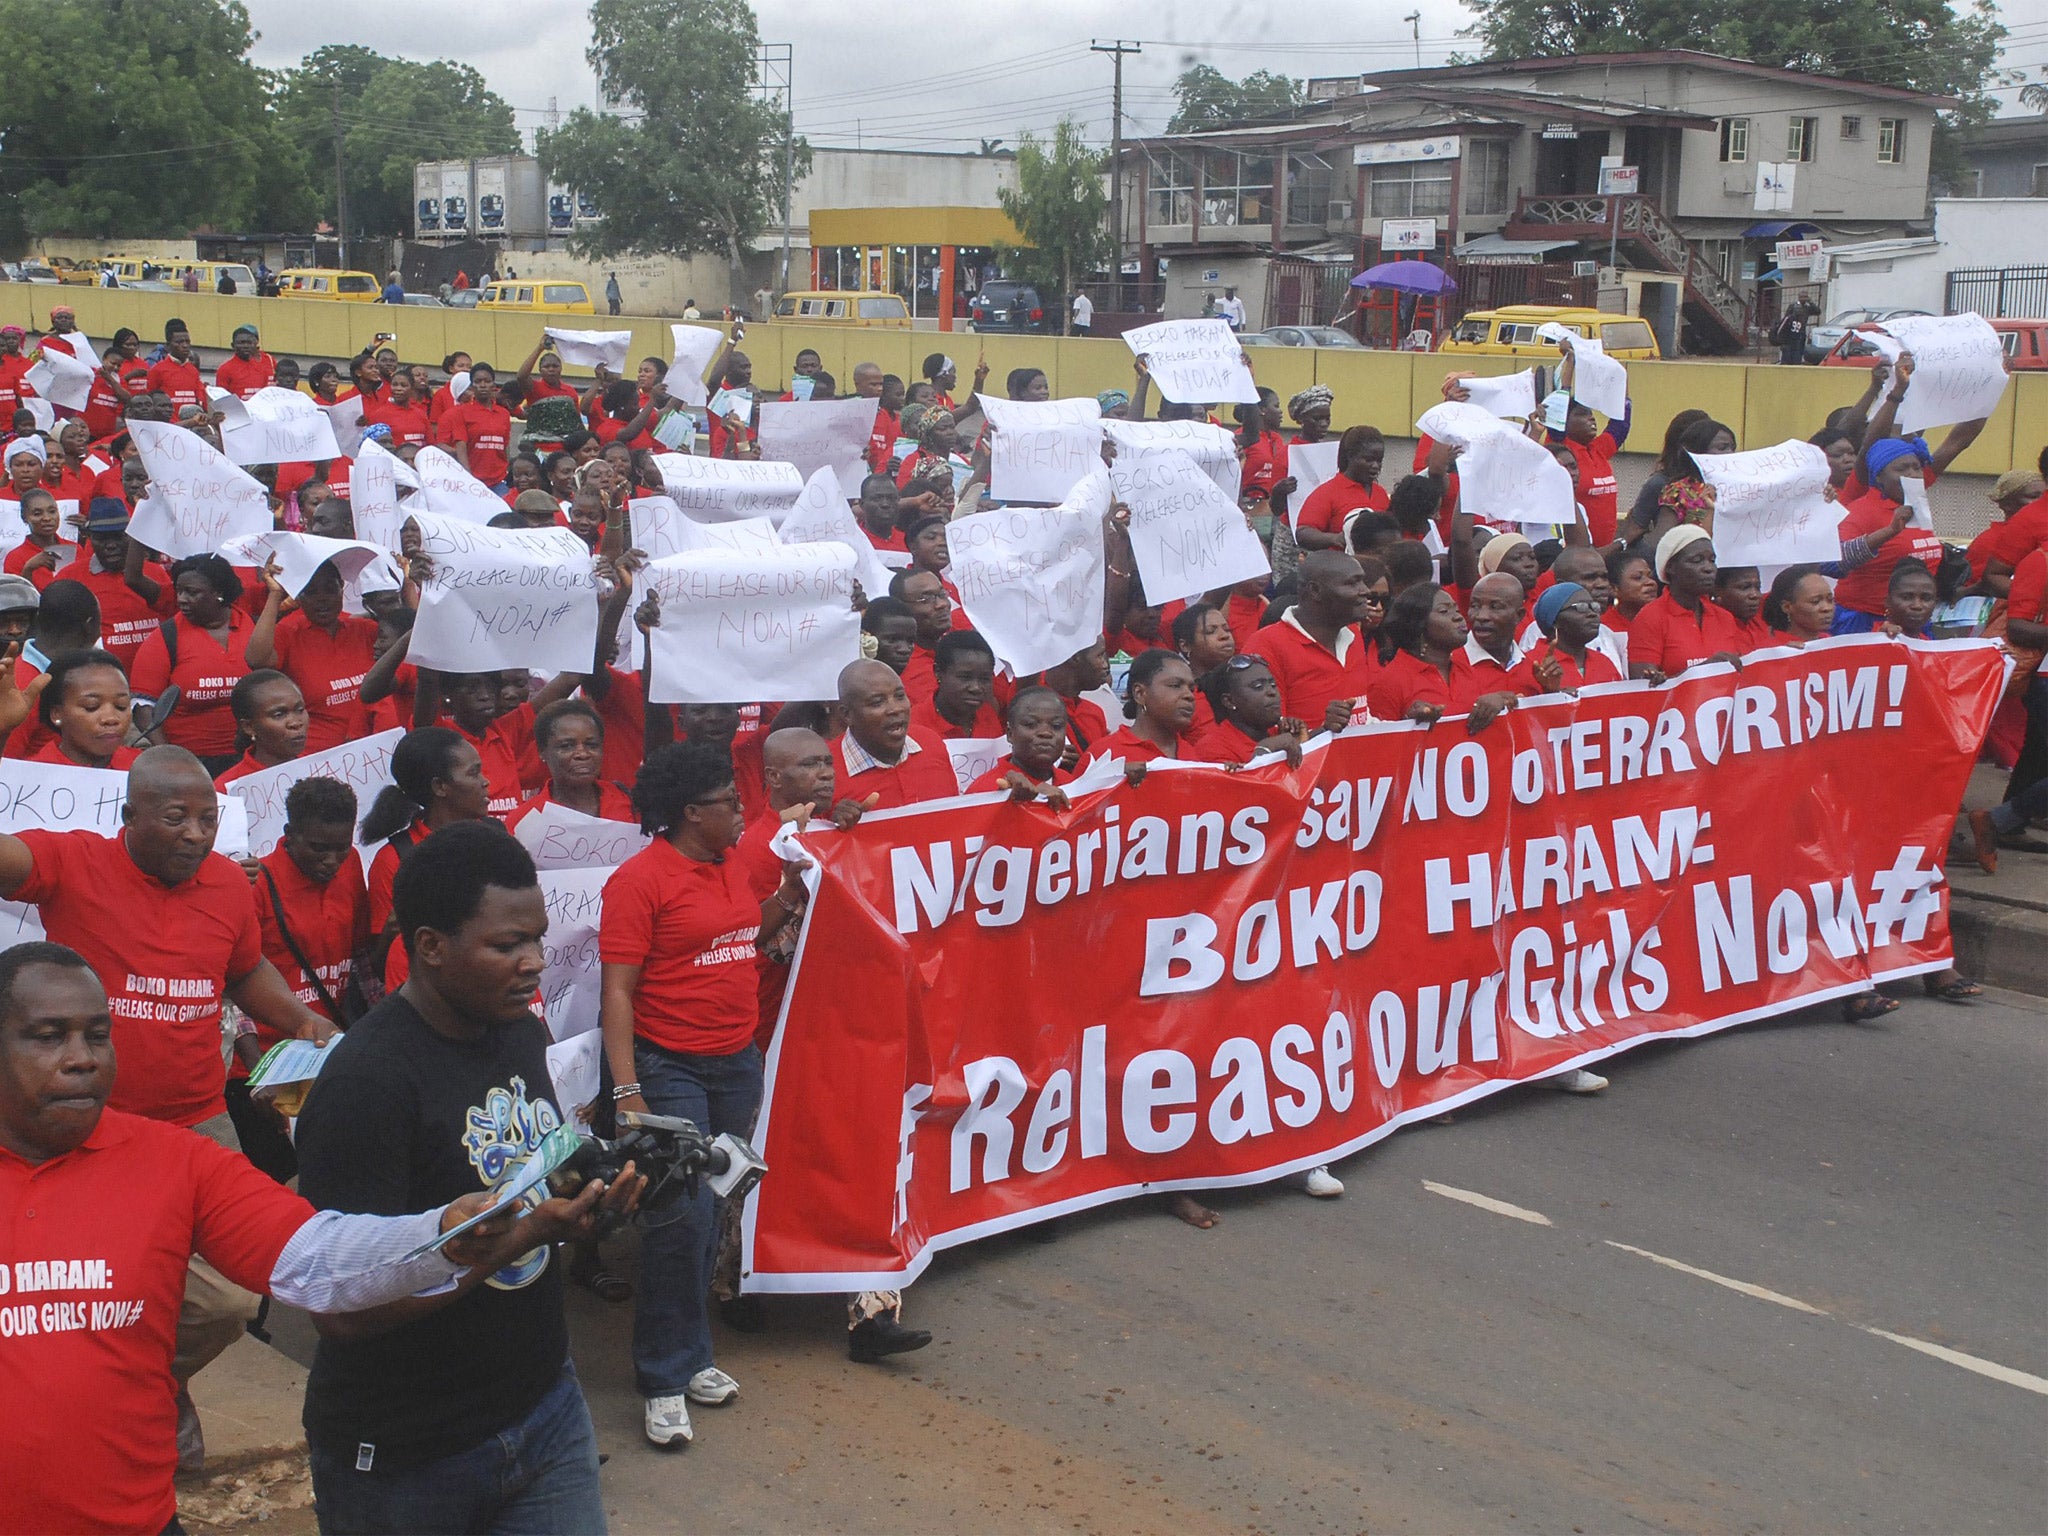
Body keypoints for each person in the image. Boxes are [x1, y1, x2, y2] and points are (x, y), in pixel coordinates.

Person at [0, 940, 620, 1536]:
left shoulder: (177, 1163)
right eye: (48, 1036)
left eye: (97, 1035)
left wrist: (440, 1234)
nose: (82, 1057)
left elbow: (316, 1257)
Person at [295, 822, 644, 1531]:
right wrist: (509, 1247)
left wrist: (595, 1205)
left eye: (538, 939)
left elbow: (536, 1176)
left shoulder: (515, 1028)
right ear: (430, 947)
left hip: (546, 1412)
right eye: (506, 945)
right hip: (409, 1457)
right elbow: (339, 1312)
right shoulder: (368, 1083)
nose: (534, 962)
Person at [0, 745, 337, 1462]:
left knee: (230, 1300)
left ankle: (140, 1384)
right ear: (127, 818)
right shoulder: (75, 863)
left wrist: (304, 1021)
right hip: (82, 1129)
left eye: (209, 819)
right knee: (85, 1289)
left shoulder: (226, 886)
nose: (196, 833)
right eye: (176, 817)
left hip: (197, 1123)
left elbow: (246, 972)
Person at [601, 743, 808, 1447]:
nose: (743, 811)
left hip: (733, 1064)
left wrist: (786, 900)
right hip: (668, 1068)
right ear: (693, 813)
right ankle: (662, 1379)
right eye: (731, 802)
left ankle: (692, 1358)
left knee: (714, 1210)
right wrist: (628, 1089)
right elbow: (618, 992)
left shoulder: (729, 867)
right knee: (678, 1220)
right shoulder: (639, 880)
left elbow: (741, 939)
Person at [129, 553, 253, 775]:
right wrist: (172, 757)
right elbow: (142, 706)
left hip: (251, 759)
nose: (181, 599)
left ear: (219, 594)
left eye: (192, 592)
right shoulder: (166, 637)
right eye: (179, 591)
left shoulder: (253, 627)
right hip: (190, 764)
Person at [246, 557, 380, 752]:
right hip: (316, 758)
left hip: (375, 752)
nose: (322, 598)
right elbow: (255, 660)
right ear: (298, 596)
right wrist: (275, 595)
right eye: (310, 592)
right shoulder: (288, 632)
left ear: (341, 589)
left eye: (330, 589)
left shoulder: (367, 630)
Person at [1242, 551, 1375, 733]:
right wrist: (1322, 731)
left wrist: (1413, 721)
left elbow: (1362, 720)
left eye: (1362, 581)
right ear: (1315, 591)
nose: (1365, 591)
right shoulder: (1266, 646)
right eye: (1352, 583)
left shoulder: (1353, 634)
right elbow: (1267, 741)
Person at [831, 659, 959, 808]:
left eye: (899, 696)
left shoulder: (930, 742)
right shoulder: (825, 771)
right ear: (847, 714)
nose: (895, 709)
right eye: (877, 702)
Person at [1629, 526, 1744, 680]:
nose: (1708, 568)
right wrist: (1705, 670)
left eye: (1712, 560)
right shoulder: (1650, 618)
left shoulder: (1725, 618)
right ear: (1670, 567)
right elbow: (1643, 686)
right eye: (1697, 560)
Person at [506, 699, 635, 830]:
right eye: (567, 746)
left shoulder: (630, 804)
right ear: (542, 751)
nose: (582, 754)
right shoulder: (523, 821)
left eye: (592, 745)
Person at [1084, 649, 1197, 768]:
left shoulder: (1190, 755)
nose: (1189, 695)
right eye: (1175, 685)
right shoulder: (1103, 755)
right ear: (1140, 693)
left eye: (1191, 689)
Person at [1510, 583, 1623, 693]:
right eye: (1581, 607)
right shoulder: (1531, 665)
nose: (1593, 614)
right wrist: (1551, 694)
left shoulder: (1604, 662)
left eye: (1594, 607)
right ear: (1554, 620)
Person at [1293, 426, 1388, 552]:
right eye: (1368, 460)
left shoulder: (1380, 493)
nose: (1375, 466)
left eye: (1379, 461)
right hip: (1340, 568)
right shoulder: (1328, 492)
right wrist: (1335, 538)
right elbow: (1303, 532)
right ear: (1351, 456)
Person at [968, 686, 1076, 794]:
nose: (1045, 733)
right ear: (1010, 734)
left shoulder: (1072, 785)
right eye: (1031, 724)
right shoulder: (985, 790)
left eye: (1056, 726)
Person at [910, 628, 1003, 740]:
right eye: (965, 677)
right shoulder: (913, 725)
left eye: (984, 679)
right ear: (938, 672)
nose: (976, 688)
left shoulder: (987, 715)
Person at [437, 362, 513, 489]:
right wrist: (468, 478)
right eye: (478, 382)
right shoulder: (461, 413)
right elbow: (461, 446)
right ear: (472, 386)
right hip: (473, 480)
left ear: (494, 385)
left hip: (499, 481)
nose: (483, 385)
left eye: (487, 381)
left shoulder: (504, 414)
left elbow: (504, 446)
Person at [1763, 564, 1835, 645]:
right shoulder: (1771, 650)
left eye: (1830, 600)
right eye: (1815, 601)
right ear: (1787, 607)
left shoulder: (1829, 641)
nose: (1827, 608)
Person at [144, 321, 204, 414]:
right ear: (168, 345)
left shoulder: (193, 370)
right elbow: (149, 400)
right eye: (179, 342)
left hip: (192, 424)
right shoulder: (157, 370)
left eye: (187, 342)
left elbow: (198, 400)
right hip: (168, 425)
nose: (185, 345)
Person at [213, 324, 275, 399]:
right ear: (233, 345)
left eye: (249, 343)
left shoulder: (268, 362)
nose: (246, 346)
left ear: (255, 344)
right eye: (241, 343)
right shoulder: (224, 370)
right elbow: (221, 400)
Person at [1772, 298, 1812, 365]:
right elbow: (1780, 330)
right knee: (1786, 363)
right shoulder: (1788, 319)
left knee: (1795, 363)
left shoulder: (1801, 321)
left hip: (1796, 346)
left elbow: (1802, 335)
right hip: (1787, 344)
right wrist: (1782, 342)